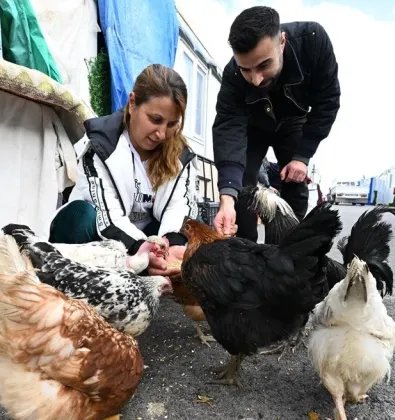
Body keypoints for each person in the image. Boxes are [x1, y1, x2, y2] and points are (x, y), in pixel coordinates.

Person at [48, 63, 199, 276]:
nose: (162, 134)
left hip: (140, 240)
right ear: (132, 103)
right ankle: (70, 279)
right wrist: (142, 249)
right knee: (80, 216)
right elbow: (108, 217)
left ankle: (143, 273)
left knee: (195, 225)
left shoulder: (181, 155)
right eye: (155, 120)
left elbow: (179, 206)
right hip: (97, 235)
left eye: (172, 123)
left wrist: (171, 244)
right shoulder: (101, 146)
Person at [211, 6, 341, 241]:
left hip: (294, 121)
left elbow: (327, 102)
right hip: (254, 125)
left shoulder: (313, 42)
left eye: (263, 65)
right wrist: (227, 197)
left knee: (294, 185)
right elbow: (228, 127)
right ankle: (246, 253)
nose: (255, 79)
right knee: (243, 187)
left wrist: (302, 156)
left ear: (282, 41)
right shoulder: (232, 75)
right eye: (245, 70)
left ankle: (284, 254)